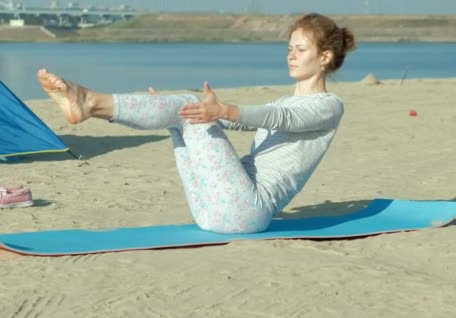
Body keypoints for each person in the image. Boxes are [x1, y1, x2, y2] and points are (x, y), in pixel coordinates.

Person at [37, 13, 356, 234]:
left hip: (247, 211)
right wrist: (197, 110)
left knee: (186, 106)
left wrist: (222, 110)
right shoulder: (285, 101)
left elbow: (281, 118)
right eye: (289, 49)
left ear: (325, 57)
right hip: (212, 209)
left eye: (300, 49)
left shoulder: (329, 106)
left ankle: (89, 102)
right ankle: (112, 105)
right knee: (185, 112)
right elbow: (248, 121)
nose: (291, 55)